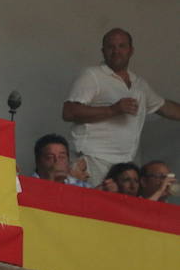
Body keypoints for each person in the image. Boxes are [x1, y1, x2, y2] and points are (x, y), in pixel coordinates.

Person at [62, 28, 180, 187]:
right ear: (103, 51)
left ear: (131, 50)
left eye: (121, 46)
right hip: (92, 161)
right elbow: (69, 112)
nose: (116, 51)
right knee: (88, 203)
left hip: (124, 168)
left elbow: (165, 108)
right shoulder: (92, 75)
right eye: (110, 47)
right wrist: (113, 110)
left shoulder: (139, 84)